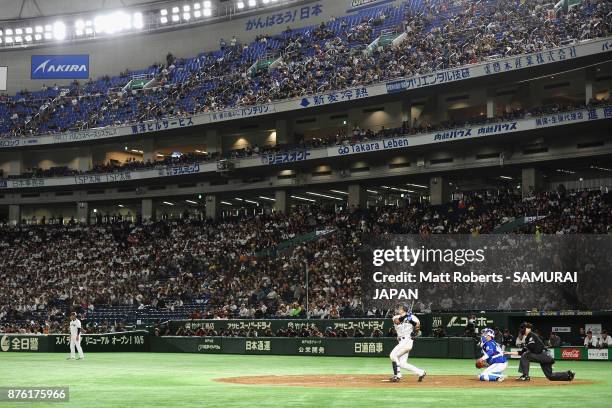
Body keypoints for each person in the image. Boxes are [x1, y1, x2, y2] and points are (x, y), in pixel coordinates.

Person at [389, 304, 426, 383]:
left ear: (403, 309)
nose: (399, 309)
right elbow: (397, 321)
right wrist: (405, 316)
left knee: (393, 355)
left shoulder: (413, 318)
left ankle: (398, 375)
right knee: (402, 363)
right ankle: (421, 372)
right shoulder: (396, 317)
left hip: (407, 340)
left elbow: (417, 328)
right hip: (401, 341)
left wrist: (411, 321)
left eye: (400, 308)